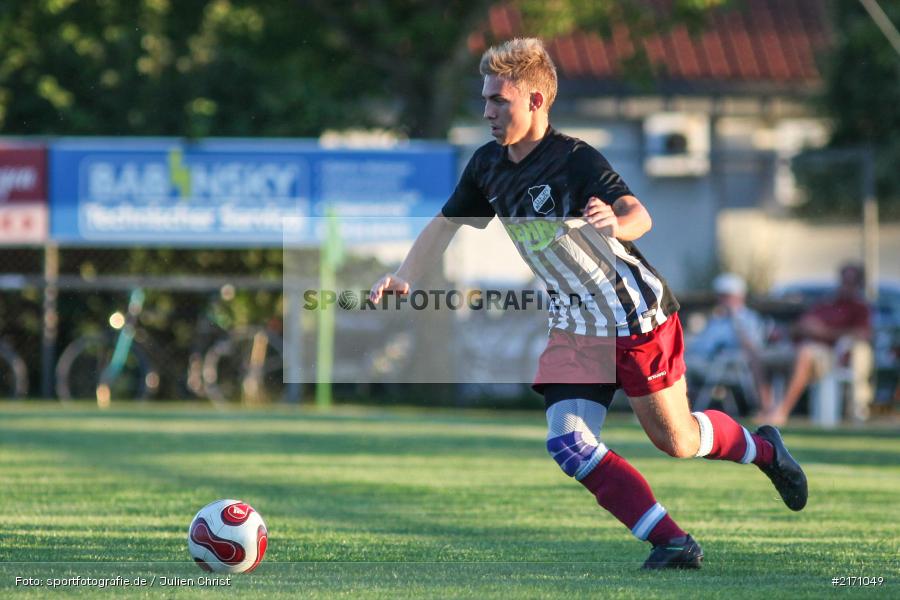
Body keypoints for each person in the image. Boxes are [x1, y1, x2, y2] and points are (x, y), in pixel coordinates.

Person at [369, 38, 807, 570]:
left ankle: (763, 449)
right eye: (484, 99)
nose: (486, 111)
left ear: (535, 101)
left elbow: (639, 214)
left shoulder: (575, 158)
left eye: (497, 101)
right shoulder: (486, 166)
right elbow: (445, 226)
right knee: (569, 444)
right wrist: (405, 277)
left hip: (633, 314)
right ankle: (672, 541)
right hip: (575, 323)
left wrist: (614, 225)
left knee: (678, 440)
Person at [763, 264, 873, 425]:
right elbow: (798, 326)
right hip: (799, 347)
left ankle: (782, 411)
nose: (844, 285)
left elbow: (863, 334)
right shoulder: (825, 303)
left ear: (859, 284)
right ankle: (767, 408)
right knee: (759, 357)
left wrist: (822, 332)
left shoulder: (860, 308)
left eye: (850, 281)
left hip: (829, 355)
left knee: (805, 352)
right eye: (843, 280)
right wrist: (799, 328)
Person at [686, 273, 773, 412]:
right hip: (706, 363)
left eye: (726, 296)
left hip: (730, 368)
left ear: (738, 297)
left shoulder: (748, 318)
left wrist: (735, 319)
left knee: (681, 367)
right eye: (720, 296)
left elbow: (753, 349)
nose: (721, 300)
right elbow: (701, 345)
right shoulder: (716, 319)